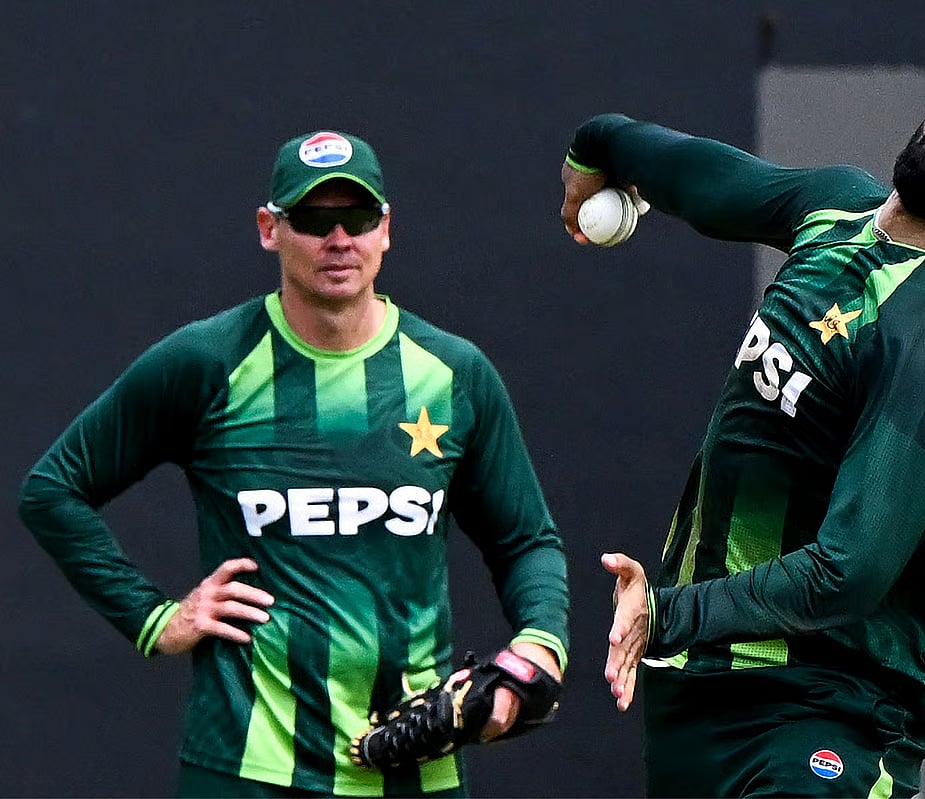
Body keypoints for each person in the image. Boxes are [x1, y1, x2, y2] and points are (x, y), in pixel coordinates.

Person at [560, 14, 925, 798]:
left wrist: (668, 612)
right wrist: (600, 143)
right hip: (699, 687)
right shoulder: (837, 212)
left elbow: (847, 572)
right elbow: (705, 181)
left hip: (829, 708)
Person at [19, 129, 568, 798]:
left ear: (386, 229)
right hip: (247, 770)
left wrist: (538, 644)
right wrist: (154, 617)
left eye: (358, 217)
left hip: (415, 772)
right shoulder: (208, 363)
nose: (338, 238)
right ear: (268, 229)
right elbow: (52, 490)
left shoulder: (454, 374)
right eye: (312, 219)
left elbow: (526, 540)